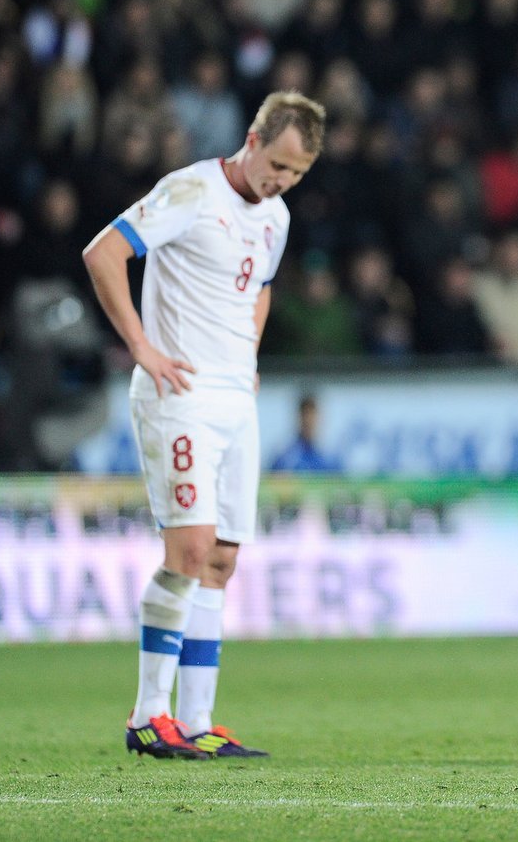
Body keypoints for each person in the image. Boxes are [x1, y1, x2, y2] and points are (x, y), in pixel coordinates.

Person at [82, 91, 326, 760]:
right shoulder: (190, 190)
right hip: (178, 393)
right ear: (252, 137)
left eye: (297, 174)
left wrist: (247, 353)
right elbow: (104, 253)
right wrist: (140, 345)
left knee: (221, 558)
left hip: (234, 400)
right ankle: (146, 714)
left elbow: (263, 284)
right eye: (277, 163)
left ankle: (197, 721)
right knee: (187, 552)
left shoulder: (275, 216)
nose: (282, 180)